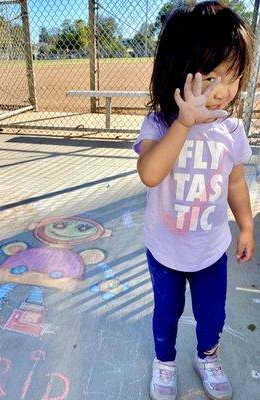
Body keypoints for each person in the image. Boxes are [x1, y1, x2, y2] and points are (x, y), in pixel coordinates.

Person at [132, 1, 256, 399]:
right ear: (178, 68)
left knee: (212, 315)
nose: (224, 90)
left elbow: (236, 182)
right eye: (212, 76)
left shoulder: (231, 129)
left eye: (234, 77)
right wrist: (184, 122)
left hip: (210, 247)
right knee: (166, 314)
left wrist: (247, 226)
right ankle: (164, 362)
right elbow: (150, 173)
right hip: (166, 249)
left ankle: (208, 356)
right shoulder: (160, 123)